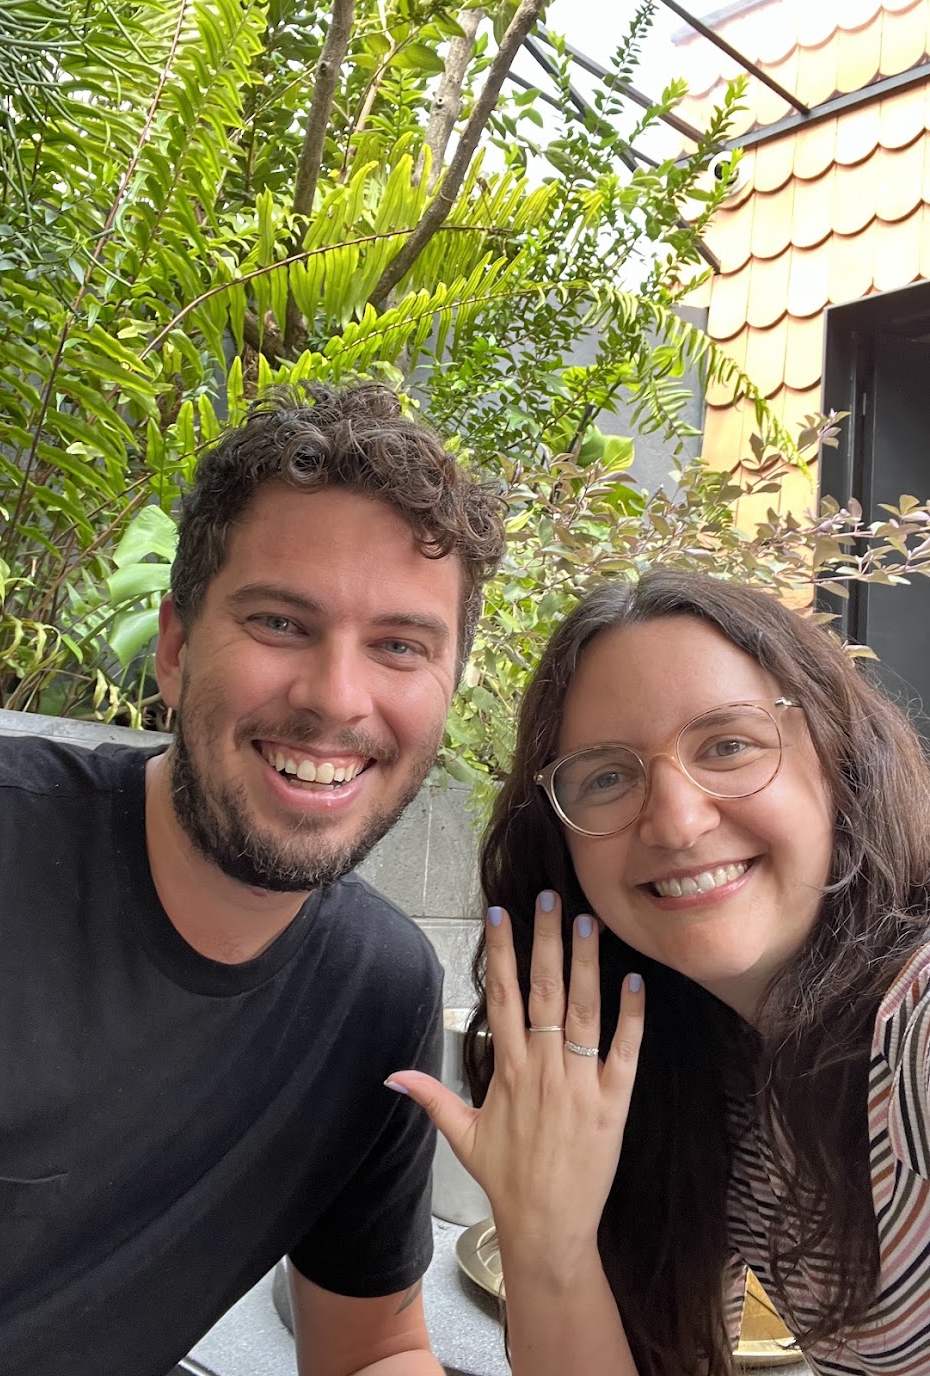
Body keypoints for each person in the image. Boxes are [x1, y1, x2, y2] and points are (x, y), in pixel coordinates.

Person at [0, 382, 506, 1376]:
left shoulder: (374, 991)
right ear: (177, 647)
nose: (335, 698)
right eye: (280, 622)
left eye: (400, 645)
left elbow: (370, 1347)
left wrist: (558, 1243)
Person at [389, 569, 930, 1376]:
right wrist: (546, 1237)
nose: (676, 822)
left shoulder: (915, 1023)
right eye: (607, 776)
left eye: (728, 744)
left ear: (840, 757)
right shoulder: (714, 1083)